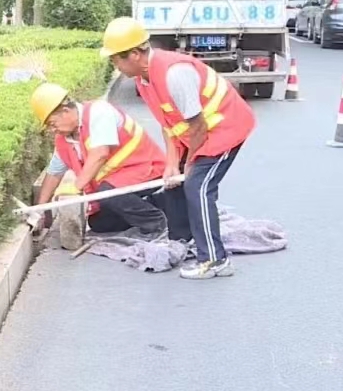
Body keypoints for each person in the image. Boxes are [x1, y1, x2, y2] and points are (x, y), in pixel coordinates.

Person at [100, 17, 256, 280]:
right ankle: (182, 240)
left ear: (135, 54)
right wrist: (172, 165)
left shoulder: (174, 73)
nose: (114, 64)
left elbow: (198, 126)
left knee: (198, 187)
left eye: (116, 58)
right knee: (172, 182)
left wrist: (191, 162)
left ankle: (215, 260)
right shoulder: (144, 79)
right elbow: (168, 125)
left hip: (224, 130)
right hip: (197, 136)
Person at [29, 82, 170, 249]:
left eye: (53, 124)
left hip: (146, 167)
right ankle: (153, 205)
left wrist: (77, 187)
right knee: (99, 223)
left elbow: (100, 153)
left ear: (66, 112)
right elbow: (54, 174)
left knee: (108, 193)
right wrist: (39, 209)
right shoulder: (64, 140)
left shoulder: (99, 112)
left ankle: (156, 224)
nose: (53, 130)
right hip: (116, 182)